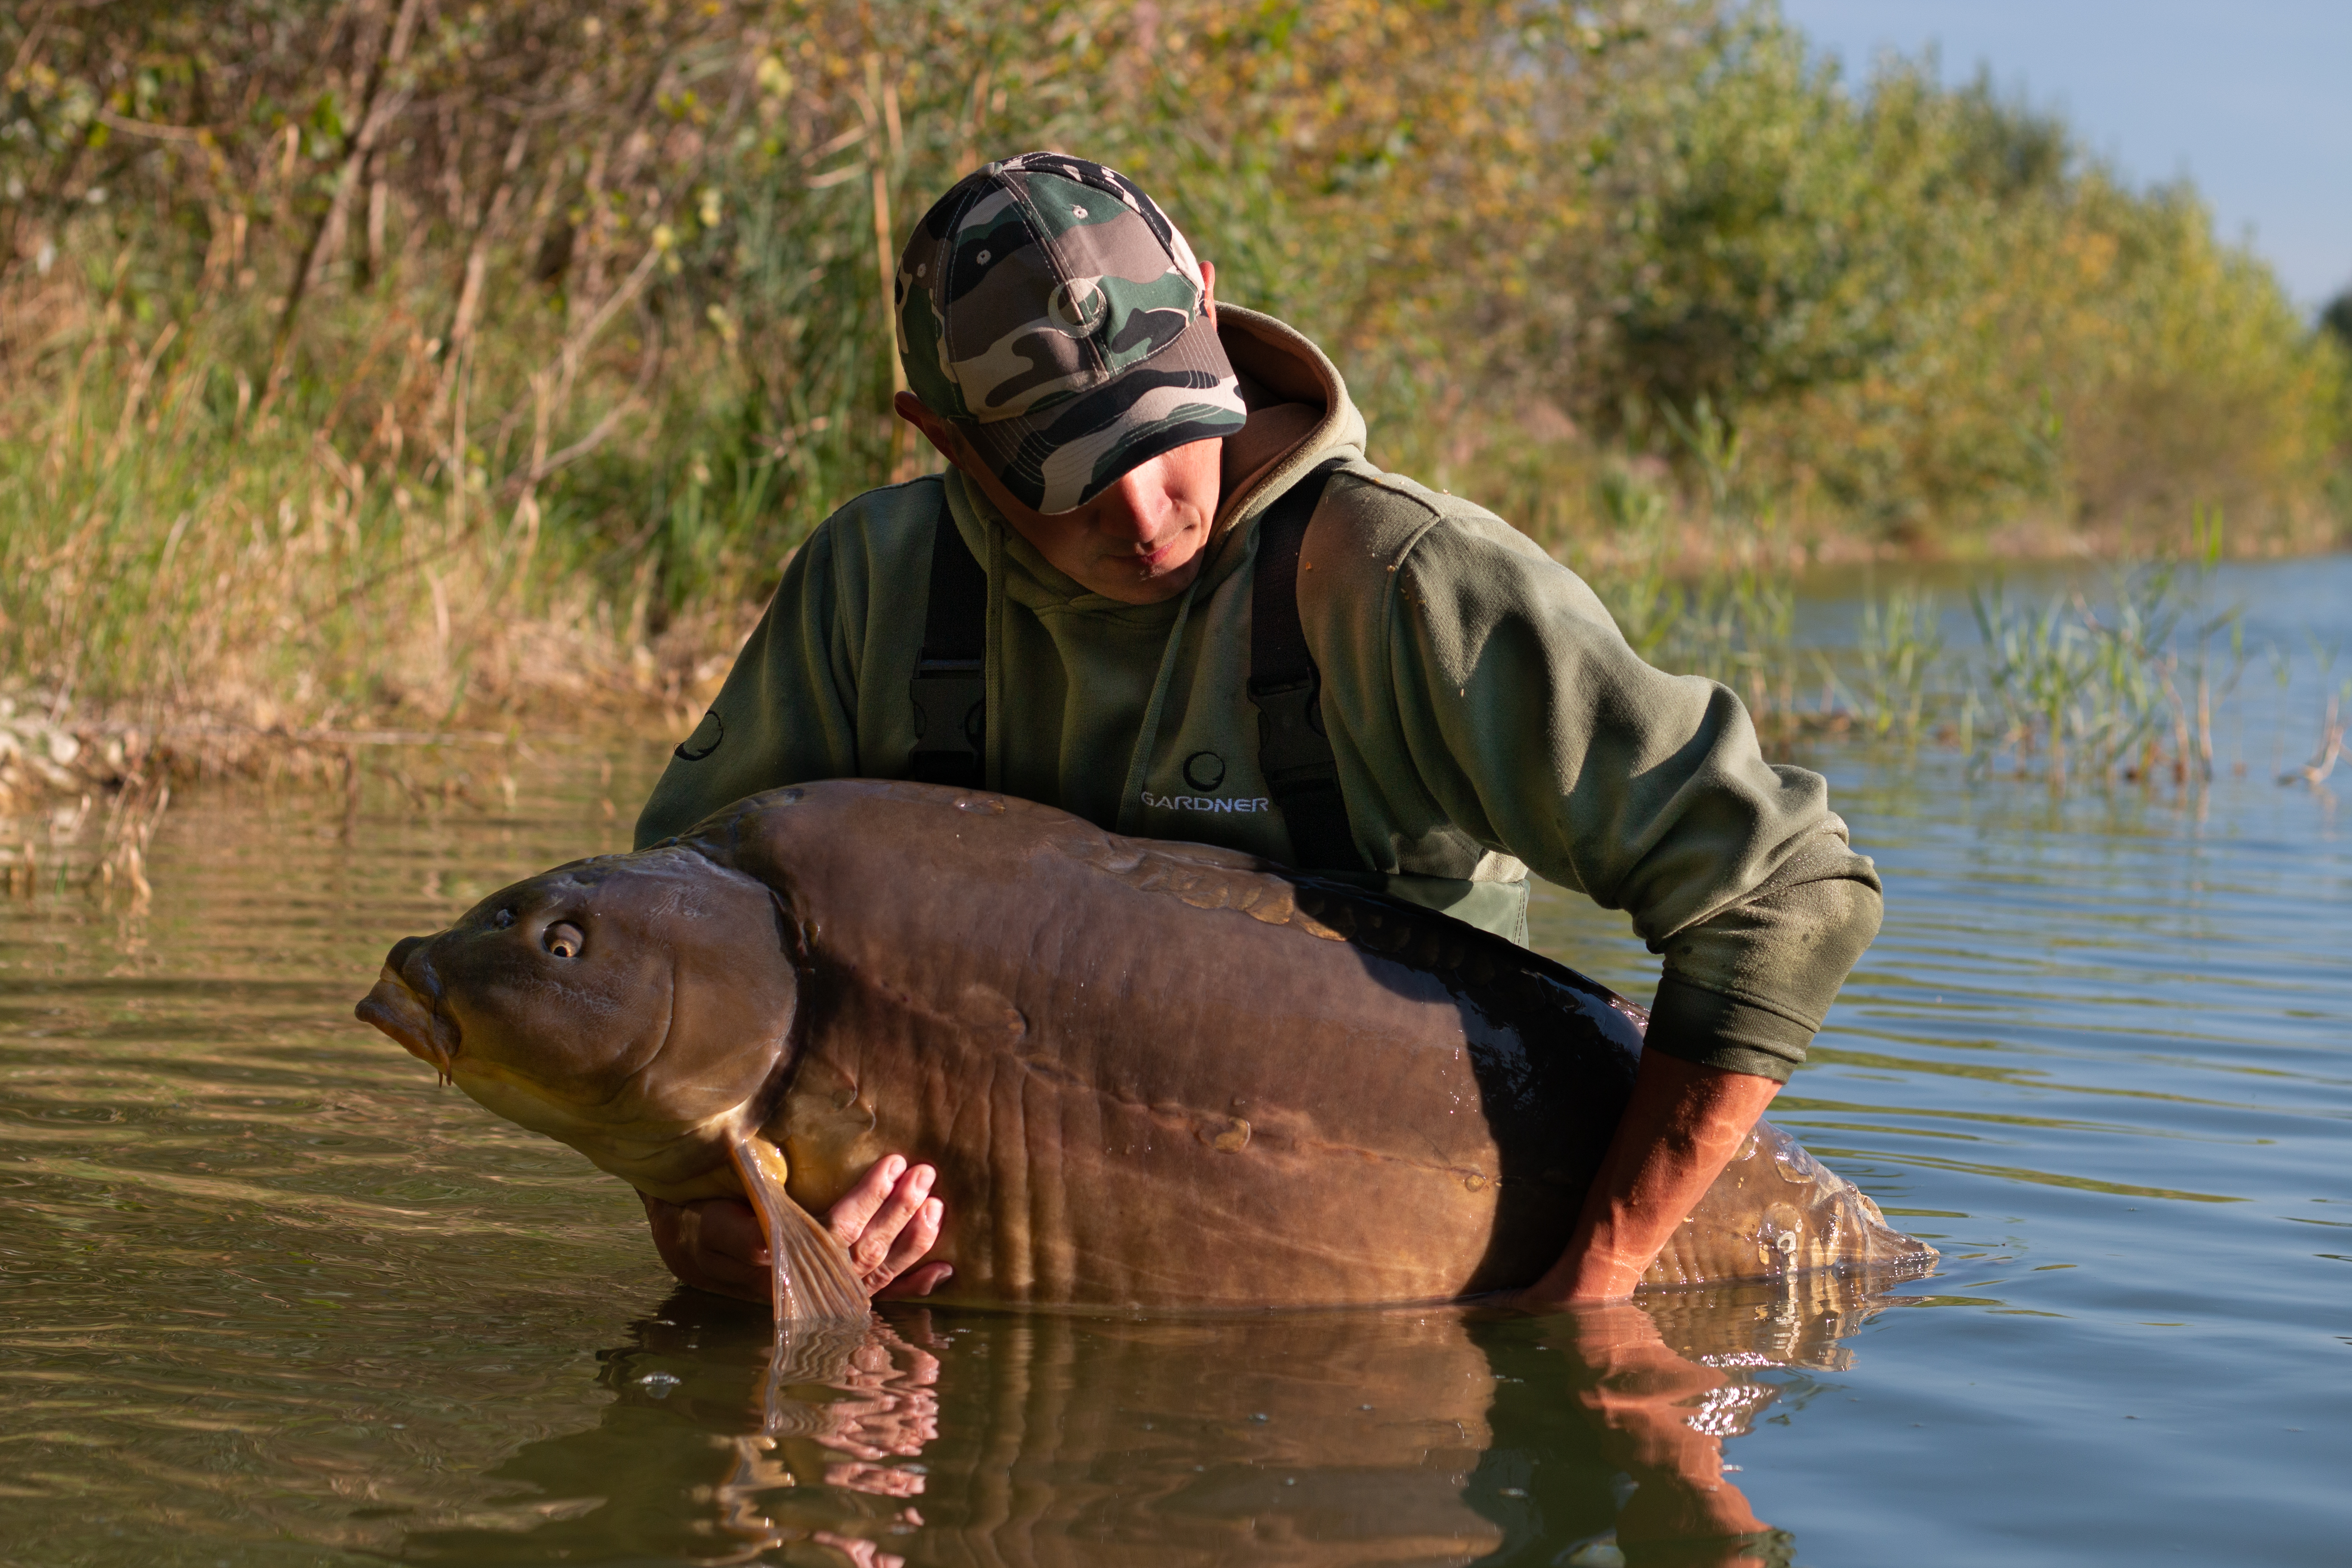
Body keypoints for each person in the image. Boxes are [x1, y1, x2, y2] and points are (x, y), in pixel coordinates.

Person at [631, 153, 1882, 1309]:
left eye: (1166, 427)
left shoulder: (1402, 581)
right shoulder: (871, 589)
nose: (1143, 512)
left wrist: (1598, 1288)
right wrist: (719, 1232)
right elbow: (653, 967)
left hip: (1437, 1292)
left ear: (1210, 310)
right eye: (1068, 473)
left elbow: (1786, 892)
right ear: (942, 439)